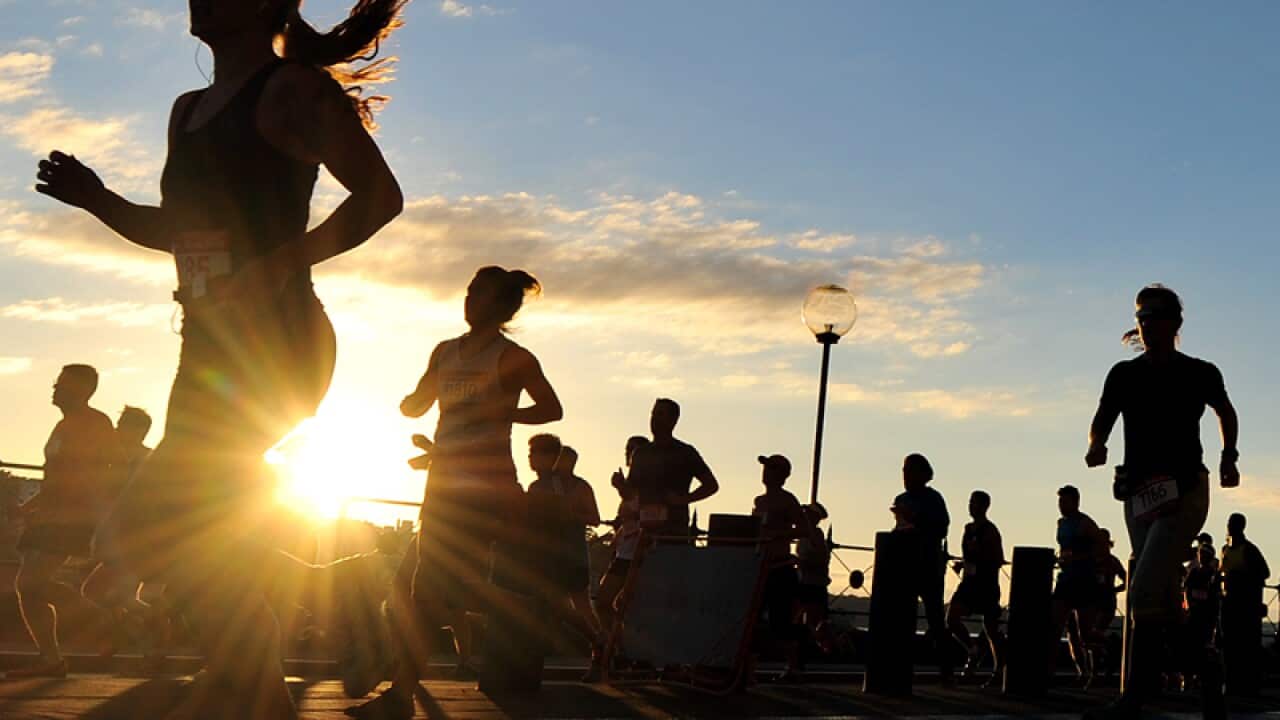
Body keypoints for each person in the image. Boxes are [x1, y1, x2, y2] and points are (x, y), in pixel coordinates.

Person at [38, 0, 406, 713]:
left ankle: (303, 637)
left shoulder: (292, 91)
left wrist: (280, 263)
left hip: (280, 341)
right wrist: (98, 200)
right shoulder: (187, 110)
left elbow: (380, 197)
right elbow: (177, 229)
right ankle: (298, 645)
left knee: (159, 526)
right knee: (196, 539)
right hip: (206, 350)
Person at [358, 266, 563, 720]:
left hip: (485, 487)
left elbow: (552, 408)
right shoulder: (445, 352)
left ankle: (401, 694)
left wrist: (503, 413)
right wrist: (412, 403)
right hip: (443, 484)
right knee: (420, 587)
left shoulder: (512, 358)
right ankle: (524, 609)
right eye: (469, 291)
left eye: (480, 294)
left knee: (422, 587)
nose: (470, 300)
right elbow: (419, 401)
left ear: (502, 306)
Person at [1084, 285, 1239, 719]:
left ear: (1175, 322)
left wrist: (1229, 456)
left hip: (1185, 491)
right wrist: (1098, 447)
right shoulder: (1123, 375)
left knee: (1143, 589)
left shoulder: (1200, 372)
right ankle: (1204, 663)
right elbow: (1100, 422)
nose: (1146, 321)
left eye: (1154, 313)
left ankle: (1135, 696)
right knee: (1162, 599)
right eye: (1140, 315)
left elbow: (1225, 412)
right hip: (1138, 496)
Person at [9, 365, 123, 678]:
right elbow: (55, 478)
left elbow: (99, 474)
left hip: (72, 517)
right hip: (51, 516)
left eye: (61, 384)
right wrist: (29, 506)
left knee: (31, 584)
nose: (54, 388)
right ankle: (51, 658)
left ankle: (105, 619)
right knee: (29, 587)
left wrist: (94, 511)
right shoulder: (63, 425)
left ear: (82, 390)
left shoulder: (95, 423)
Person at [527, 439, 605, 681]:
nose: (530, 458)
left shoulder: (578, 486)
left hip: (571, 556)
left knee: (577, 606)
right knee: (550, 607)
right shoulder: (537, 486)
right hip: (545, 557)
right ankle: (598, 645)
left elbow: (594, 518)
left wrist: (569, 512)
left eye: (534, 454)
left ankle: (599, 647)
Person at [890, 453, 952, 680]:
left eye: (909, 470)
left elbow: (942, 528)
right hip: (905, 565)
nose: (905, 475)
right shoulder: (901, 499)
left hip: (928, 564)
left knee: (935, 617)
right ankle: (900, 668)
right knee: (902, 616)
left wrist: (916, 519)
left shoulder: (933, 499)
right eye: (903, 470)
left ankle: (946, 669)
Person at [622, 399, 719, 541]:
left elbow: (711, 485)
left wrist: (683, 499)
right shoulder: (641, 453)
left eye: (660, 414)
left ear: (673, 420)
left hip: (674, 531)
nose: (654, 419)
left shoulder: (684, 452)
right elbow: (630, 494)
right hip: (644, 531)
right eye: (653, 414)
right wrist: (620, 485)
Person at [750, 454, 810, 681]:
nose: (765, 472)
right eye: (765, 468)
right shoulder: (759, 501)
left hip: (780, 567)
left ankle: (794, 666)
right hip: (760, 566)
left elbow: (804, 528)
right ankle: (748, 669)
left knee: (780, 622)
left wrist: (779, 533)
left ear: (782, 475)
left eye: (771, 468)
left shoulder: (787, 500)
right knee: (752, 619)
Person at [946, 490, 1004, 686]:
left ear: (984, 506)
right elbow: (969, 555)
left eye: (975, 503)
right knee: (951, 618)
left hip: (986, 584)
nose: (971, 506)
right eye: (970, 502)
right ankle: (972, 650)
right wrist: (963, 564)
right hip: (969, 583)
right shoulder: (968, 529)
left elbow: (997, 559)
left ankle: (999, 670)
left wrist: (977, 560)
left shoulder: (990, 530)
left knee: (991, 629)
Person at [596, 436, 648, 646]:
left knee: (627, 603)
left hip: (639, 552)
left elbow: (640, 511)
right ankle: (616, 644)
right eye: (629, 450)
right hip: (623, 552)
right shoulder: (629, 486)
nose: (631, 455)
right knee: (604, 601)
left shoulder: (646, 486)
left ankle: (621, 646)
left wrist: (621, 489)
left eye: (636, 451)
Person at [1050, 485, 1102, 684]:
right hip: (1065, 579)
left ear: (1076, 502)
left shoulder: (1086, 523)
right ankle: (1048, 671)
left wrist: (1079, 558)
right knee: (1054, 625)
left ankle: (1097, 665)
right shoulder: (1060, 523)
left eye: (1065, 501)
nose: (1061, 506)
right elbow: (1064, 549)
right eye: (1060, 502)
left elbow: (1100, 548)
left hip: (1084, 580)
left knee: (1085, 633)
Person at [1219, 512, 1269, 696]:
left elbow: (1264, 572)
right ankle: (1231, 682)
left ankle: (1248, 684)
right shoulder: (1225, 549)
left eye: (1233, 524)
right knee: (1229, 644)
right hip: (1229, 603)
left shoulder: (1249, 550)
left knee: (1246, 646)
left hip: (1245, 605)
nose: (1229, 527)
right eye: (1229, 523)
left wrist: (1241, 578)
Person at [795, 502, 834, 660]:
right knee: (808, 621)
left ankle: (825, 649)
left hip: (812, 584)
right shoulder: (809, 534)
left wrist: (800, 562)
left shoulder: (814, 535)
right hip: (808, 583)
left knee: (810, 621)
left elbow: (820, 559)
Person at [1181, 543, 1220, 689]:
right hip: (1194, 614)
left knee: (1202, 645)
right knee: (1190, 645)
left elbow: (1214, 596)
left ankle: (1198, 677)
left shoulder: (1213, 575)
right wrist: (1189, 606)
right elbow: (1187, 589)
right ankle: (1189, 677)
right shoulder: (1194, 572)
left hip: (1206, 615)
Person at [1090, 528, 1127, 682]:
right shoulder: (1090, 560)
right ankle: (1097, 670)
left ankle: (1105, 660)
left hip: (1106, 602)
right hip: (1092, 602)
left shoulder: (1112, 561)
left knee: (1095, 632)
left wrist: (1115, 590)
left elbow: (1127, 578)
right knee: (1092, 638)